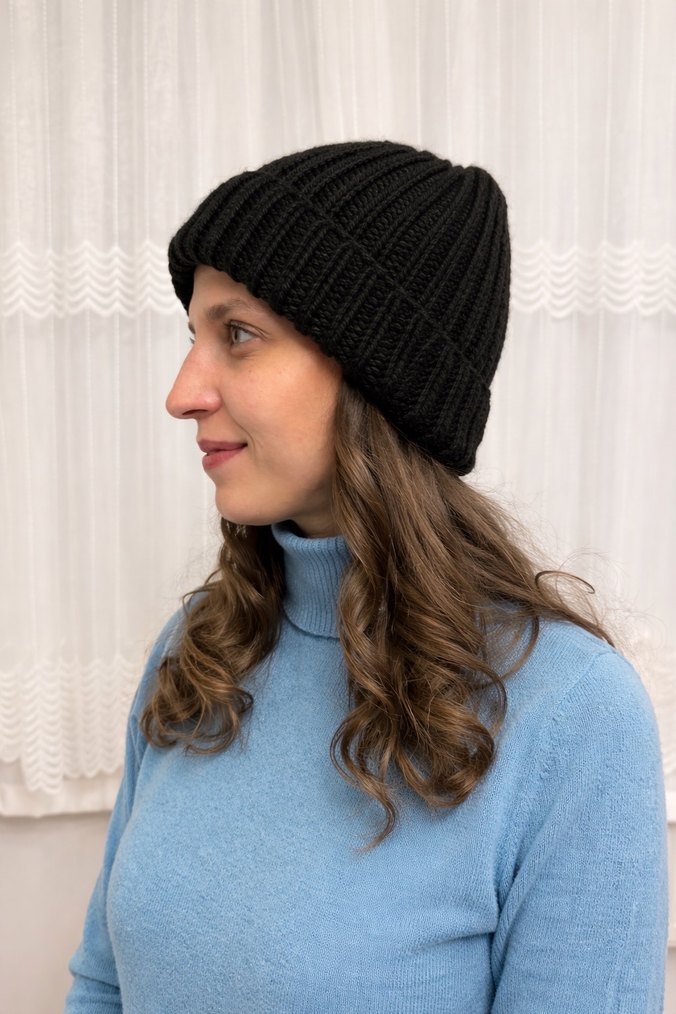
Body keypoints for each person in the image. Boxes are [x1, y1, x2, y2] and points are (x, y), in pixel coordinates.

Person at [65, 140, 668, 1013]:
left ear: (376, 372)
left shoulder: (570, 715)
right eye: (193, 337)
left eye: (238, 334)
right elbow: (103, 985)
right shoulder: (202, 648)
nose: (183, 392)